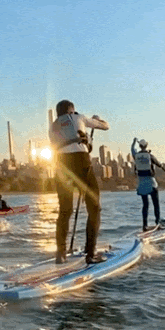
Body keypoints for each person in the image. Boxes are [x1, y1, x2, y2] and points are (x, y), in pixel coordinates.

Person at [49, 100, 109, 264]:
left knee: (65, 211)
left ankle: (60, 254)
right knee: (94, 207)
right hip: (80, 162)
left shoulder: (53, 126)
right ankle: (90, 253)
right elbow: (105, 126)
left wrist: (85, 140)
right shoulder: (79, 118)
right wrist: (97, 119)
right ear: (71, 110)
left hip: (61, 165)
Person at [131, 138, 162, 231]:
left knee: (145, 205)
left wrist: (133, 142)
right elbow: (159, 164)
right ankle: (157, 222)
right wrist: (160, 165)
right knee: (156, 204)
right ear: (146, 146)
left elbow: (132, 149)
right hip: (151, 183)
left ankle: (145, 225)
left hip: (141, 184)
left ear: (140, 146)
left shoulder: (135, 155)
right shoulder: (150, 156)